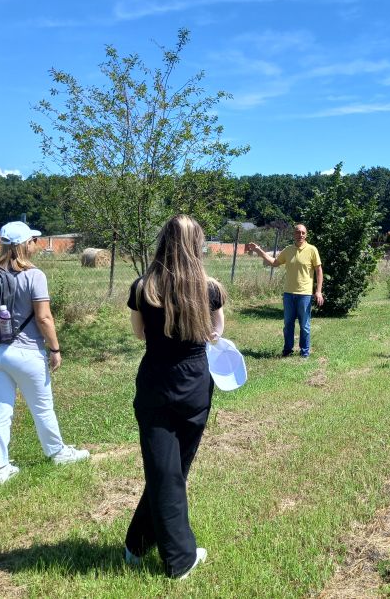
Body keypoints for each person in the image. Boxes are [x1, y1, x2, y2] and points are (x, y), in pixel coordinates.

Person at [125, 214, 226, 579]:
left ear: (163, 242)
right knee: (171, 471)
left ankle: (137, 544)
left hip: (155, 382)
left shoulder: (143, 288)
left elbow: (139, 334)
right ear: (197, 244)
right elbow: (216, 331)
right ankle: (181, 559)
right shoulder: (210, 288)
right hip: (194, 384)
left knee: (164, 471)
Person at [0, 221, 89, 485]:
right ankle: (57, 452)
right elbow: (44, 317)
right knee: (42, 407)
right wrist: (55, 348)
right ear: (24, 244)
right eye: (33, 240)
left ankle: (1, 467)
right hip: (26, 352)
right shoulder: (34, 275)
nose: (35, 244)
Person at [245, 224, 323, 358]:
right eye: (298, 232)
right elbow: (274, 262)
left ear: (306, 235)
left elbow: (318, 270)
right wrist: (259, 251)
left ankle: (304, 353)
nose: (300, 235)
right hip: (288, 294)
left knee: (304, 326)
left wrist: (318, 291)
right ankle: (287, 351)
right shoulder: (288, 250)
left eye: (303, 232)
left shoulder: (312, 250)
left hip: (304, 294)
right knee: (288, 325)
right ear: (294, 234)